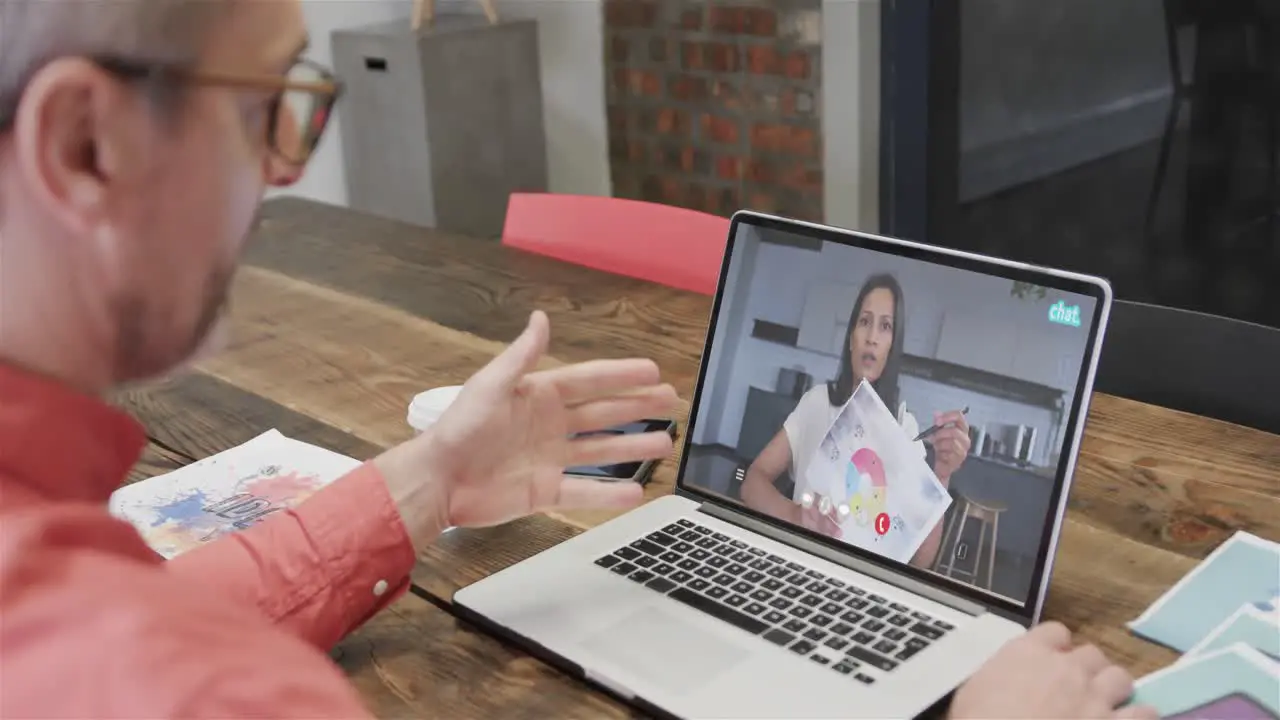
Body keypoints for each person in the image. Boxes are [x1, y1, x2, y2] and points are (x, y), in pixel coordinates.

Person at [0, 1, 1153, 718]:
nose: (285, 171)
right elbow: (161, 655)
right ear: (83, 144)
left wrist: (431, 477)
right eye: (265, 108)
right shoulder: (197, 687)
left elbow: (157, 614)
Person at [741, 274, 972, 569]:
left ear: (892, 346)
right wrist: (795, 515)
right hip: (797, 565)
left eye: (885, 326)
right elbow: (751, 482)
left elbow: (919, 563)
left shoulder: (904, 427)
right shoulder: (817, 402)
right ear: (851, 337)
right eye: (864, 321)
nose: (872, 337)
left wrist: (941, 475)